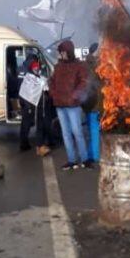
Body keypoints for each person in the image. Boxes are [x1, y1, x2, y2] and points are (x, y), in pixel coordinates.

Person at [49, 39, 91, 170]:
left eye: (62, 52)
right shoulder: (58, 66)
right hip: (60, 105)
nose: (60, 55)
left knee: (77, 132)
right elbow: (51, 81)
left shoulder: (79, 66)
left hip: (73, 106)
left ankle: (84, 159)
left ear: (68, 52)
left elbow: (84, 82)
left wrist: (74, 95)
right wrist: (53, 94)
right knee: (66, 133)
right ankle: (71, 160)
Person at [19, 55, 55, 157]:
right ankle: (34, 146)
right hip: (31, 106)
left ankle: (39, 146)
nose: (37, 69)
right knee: (30, 124)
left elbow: (45, 88)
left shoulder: (39, 78)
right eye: (35, 67)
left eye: (37, 67)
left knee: (40, 125)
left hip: (39, 106)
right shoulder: (29, 78)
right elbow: (25, 92)